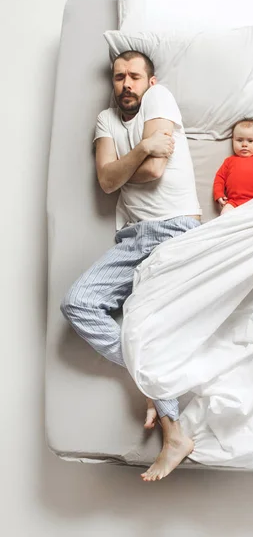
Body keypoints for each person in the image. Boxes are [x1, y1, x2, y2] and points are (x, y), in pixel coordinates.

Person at [60, 50, 202, 481]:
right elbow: (106, 181)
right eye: (119, 76)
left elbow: (156, 171)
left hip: (175, 230)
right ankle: (155, 378)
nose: (126, 84)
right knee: (78, 303)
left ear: (149, 81)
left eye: (134, 76)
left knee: (151, 327)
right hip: (131, 238)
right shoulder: (106, 121)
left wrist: (124, 167)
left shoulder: (161, 100)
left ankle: (174, 432)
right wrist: (141, 146)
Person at [213, 119, 253, 214]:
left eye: (250, 141)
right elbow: (219, 178)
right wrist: (218, 193)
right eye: (239, 140)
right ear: (232, 141)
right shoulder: (229, 161)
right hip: (233, 202)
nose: (244, 144)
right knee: (225, 214)